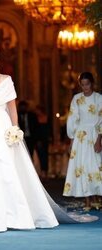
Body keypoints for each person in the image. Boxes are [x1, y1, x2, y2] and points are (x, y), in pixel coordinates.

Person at [0, 44, 89, 233]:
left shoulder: (6, 80)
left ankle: (12, 215)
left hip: (1, 127)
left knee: (5, 167)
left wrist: (15, 129)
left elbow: (12, 108)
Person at [63, 71, 102, 211]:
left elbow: (101, 120)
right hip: (80, 137)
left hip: (94, 134)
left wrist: (99, 139)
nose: (85, 87)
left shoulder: (99, 98)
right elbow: (72, 119)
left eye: (88, 84)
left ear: (92, 83)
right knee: (83, 167)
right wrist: (71, 141)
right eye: (82, 84)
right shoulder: (76, 99)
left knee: (96, 166)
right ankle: (87, 200)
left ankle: (97, 197)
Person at [35, 105, 49, 179]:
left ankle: (45, 172)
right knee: (40, 156)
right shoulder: (35, 119)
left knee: (45, 156)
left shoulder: (46, 117)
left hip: (45, 139)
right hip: (39, 140)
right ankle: (42, 171)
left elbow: (48, 129)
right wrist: (37, 140)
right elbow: (36, 131)